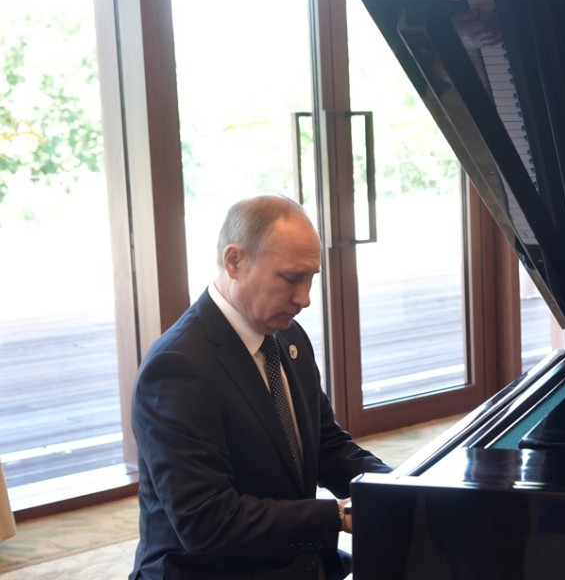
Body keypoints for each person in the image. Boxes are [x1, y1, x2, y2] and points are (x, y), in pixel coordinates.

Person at [130, 195, 391, 579]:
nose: (304, 298)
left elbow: (326, 446)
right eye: (290, 278)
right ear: (234, 261)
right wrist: (337, 515)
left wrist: (399, 488)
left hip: (292, 562)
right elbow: (207, 522)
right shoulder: (178, 368)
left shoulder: (286, 336)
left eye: (310, 278)